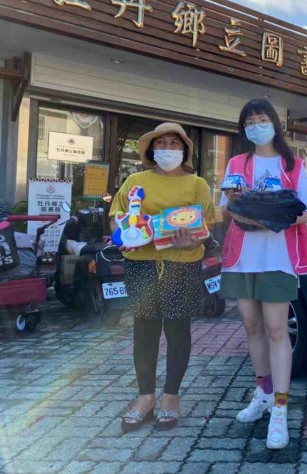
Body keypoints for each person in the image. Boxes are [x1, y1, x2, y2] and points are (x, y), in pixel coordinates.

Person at [220, 99, 307, 449]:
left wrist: (271, 218)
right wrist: (245, 209)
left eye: (262, 119)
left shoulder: (293, 164)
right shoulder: (236, 163)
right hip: (242, 258)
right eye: (250, 122)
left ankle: (280, 408)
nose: (256, 126)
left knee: (277, 329)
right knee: (252, 327)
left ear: (275, 124)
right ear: (243, 129)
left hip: (278, 259)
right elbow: (227, 208)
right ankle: (262, 394)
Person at [110, 122, 215, 433]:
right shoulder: (135, 180)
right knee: (144, 329)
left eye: (174, 143)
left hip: (181, 264)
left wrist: (192, 241)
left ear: (185, 150)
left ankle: (171, 397)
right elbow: (117, 216)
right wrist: (123, 236)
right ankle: (145, 397)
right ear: (151, 149)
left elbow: (206, 224)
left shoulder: (197, 184)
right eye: (162, 143)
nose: (168, 149)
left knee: (177, 329)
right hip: (141, 263)